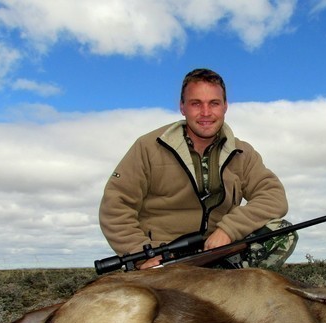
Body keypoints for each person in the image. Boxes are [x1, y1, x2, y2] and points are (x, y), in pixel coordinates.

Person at [99, 68, 296, 269]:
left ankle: (227, 285)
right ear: (182, 107)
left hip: (218, 253)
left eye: (214, 103)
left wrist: (228, 230)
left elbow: (273, 196)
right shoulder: (147, 147)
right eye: (196, 104)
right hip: (163, 259)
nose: (206, 113)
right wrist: (140, 253)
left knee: (282, 231)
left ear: (225, 107)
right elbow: (115, 206)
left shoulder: (242, 152)